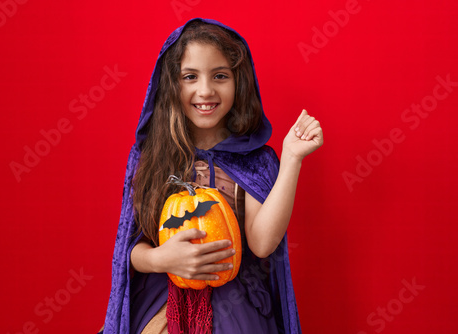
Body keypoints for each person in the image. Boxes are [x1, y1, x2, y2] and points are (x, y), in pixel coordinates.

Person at [101, 18, 323, 334]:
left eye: (220, 76)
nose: (205, 90)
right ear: (171, 84)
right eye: (190, 76)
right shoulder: (149, 157)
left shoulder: (255, 159)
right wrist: (163, 260)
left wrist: (291, 159)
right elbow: (129, 250)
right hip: (160, 305)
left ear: (239, 82)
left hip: (236, 310)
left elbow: (261, 244)